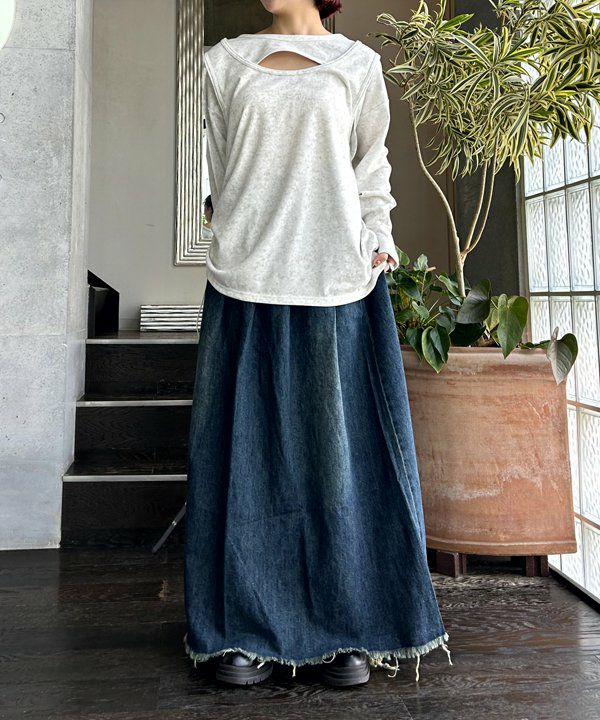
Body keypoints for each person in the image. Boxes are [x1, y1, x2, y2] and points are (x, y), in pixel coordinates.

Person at [184, 0, 452, 688]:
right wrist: (230, 225)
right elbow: (215, 171)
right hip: (247, 282)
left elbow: (371, 166)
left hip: (337, 282)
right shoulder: (222, 64)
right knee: (246, 461)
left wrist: (379, 237)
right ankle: (240, 630)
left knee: (337, 464)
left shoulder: (357, 65)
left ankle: (345, 627)